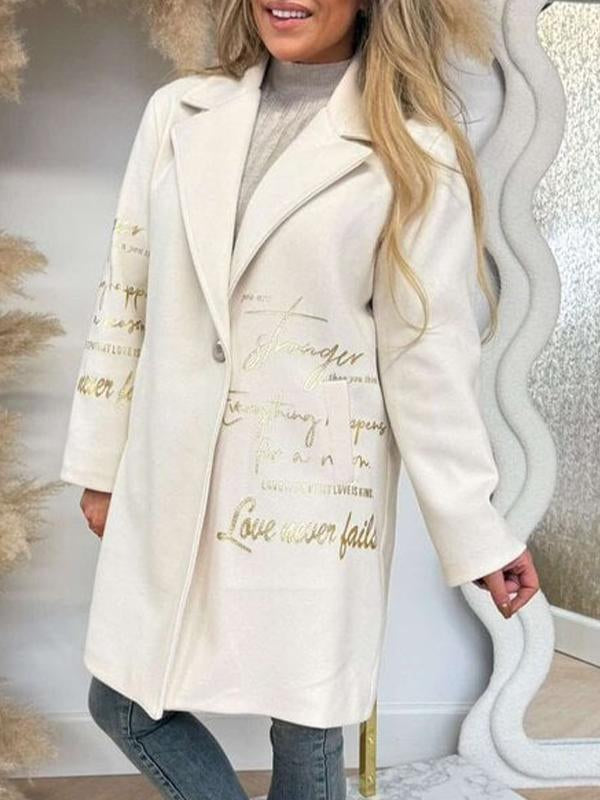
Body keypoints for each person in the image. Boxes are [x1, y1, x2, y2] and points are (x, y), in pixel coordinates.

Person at [61, 1, 540, 798]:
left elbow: (427, 357)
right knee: (123, 701)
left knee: (305, 726)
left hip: (313, 495)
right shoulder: (178, 114)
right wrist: (100, 464)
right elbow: (126, 296)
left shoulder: (415, 152)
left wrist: (477, 531)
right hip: (172, 469)